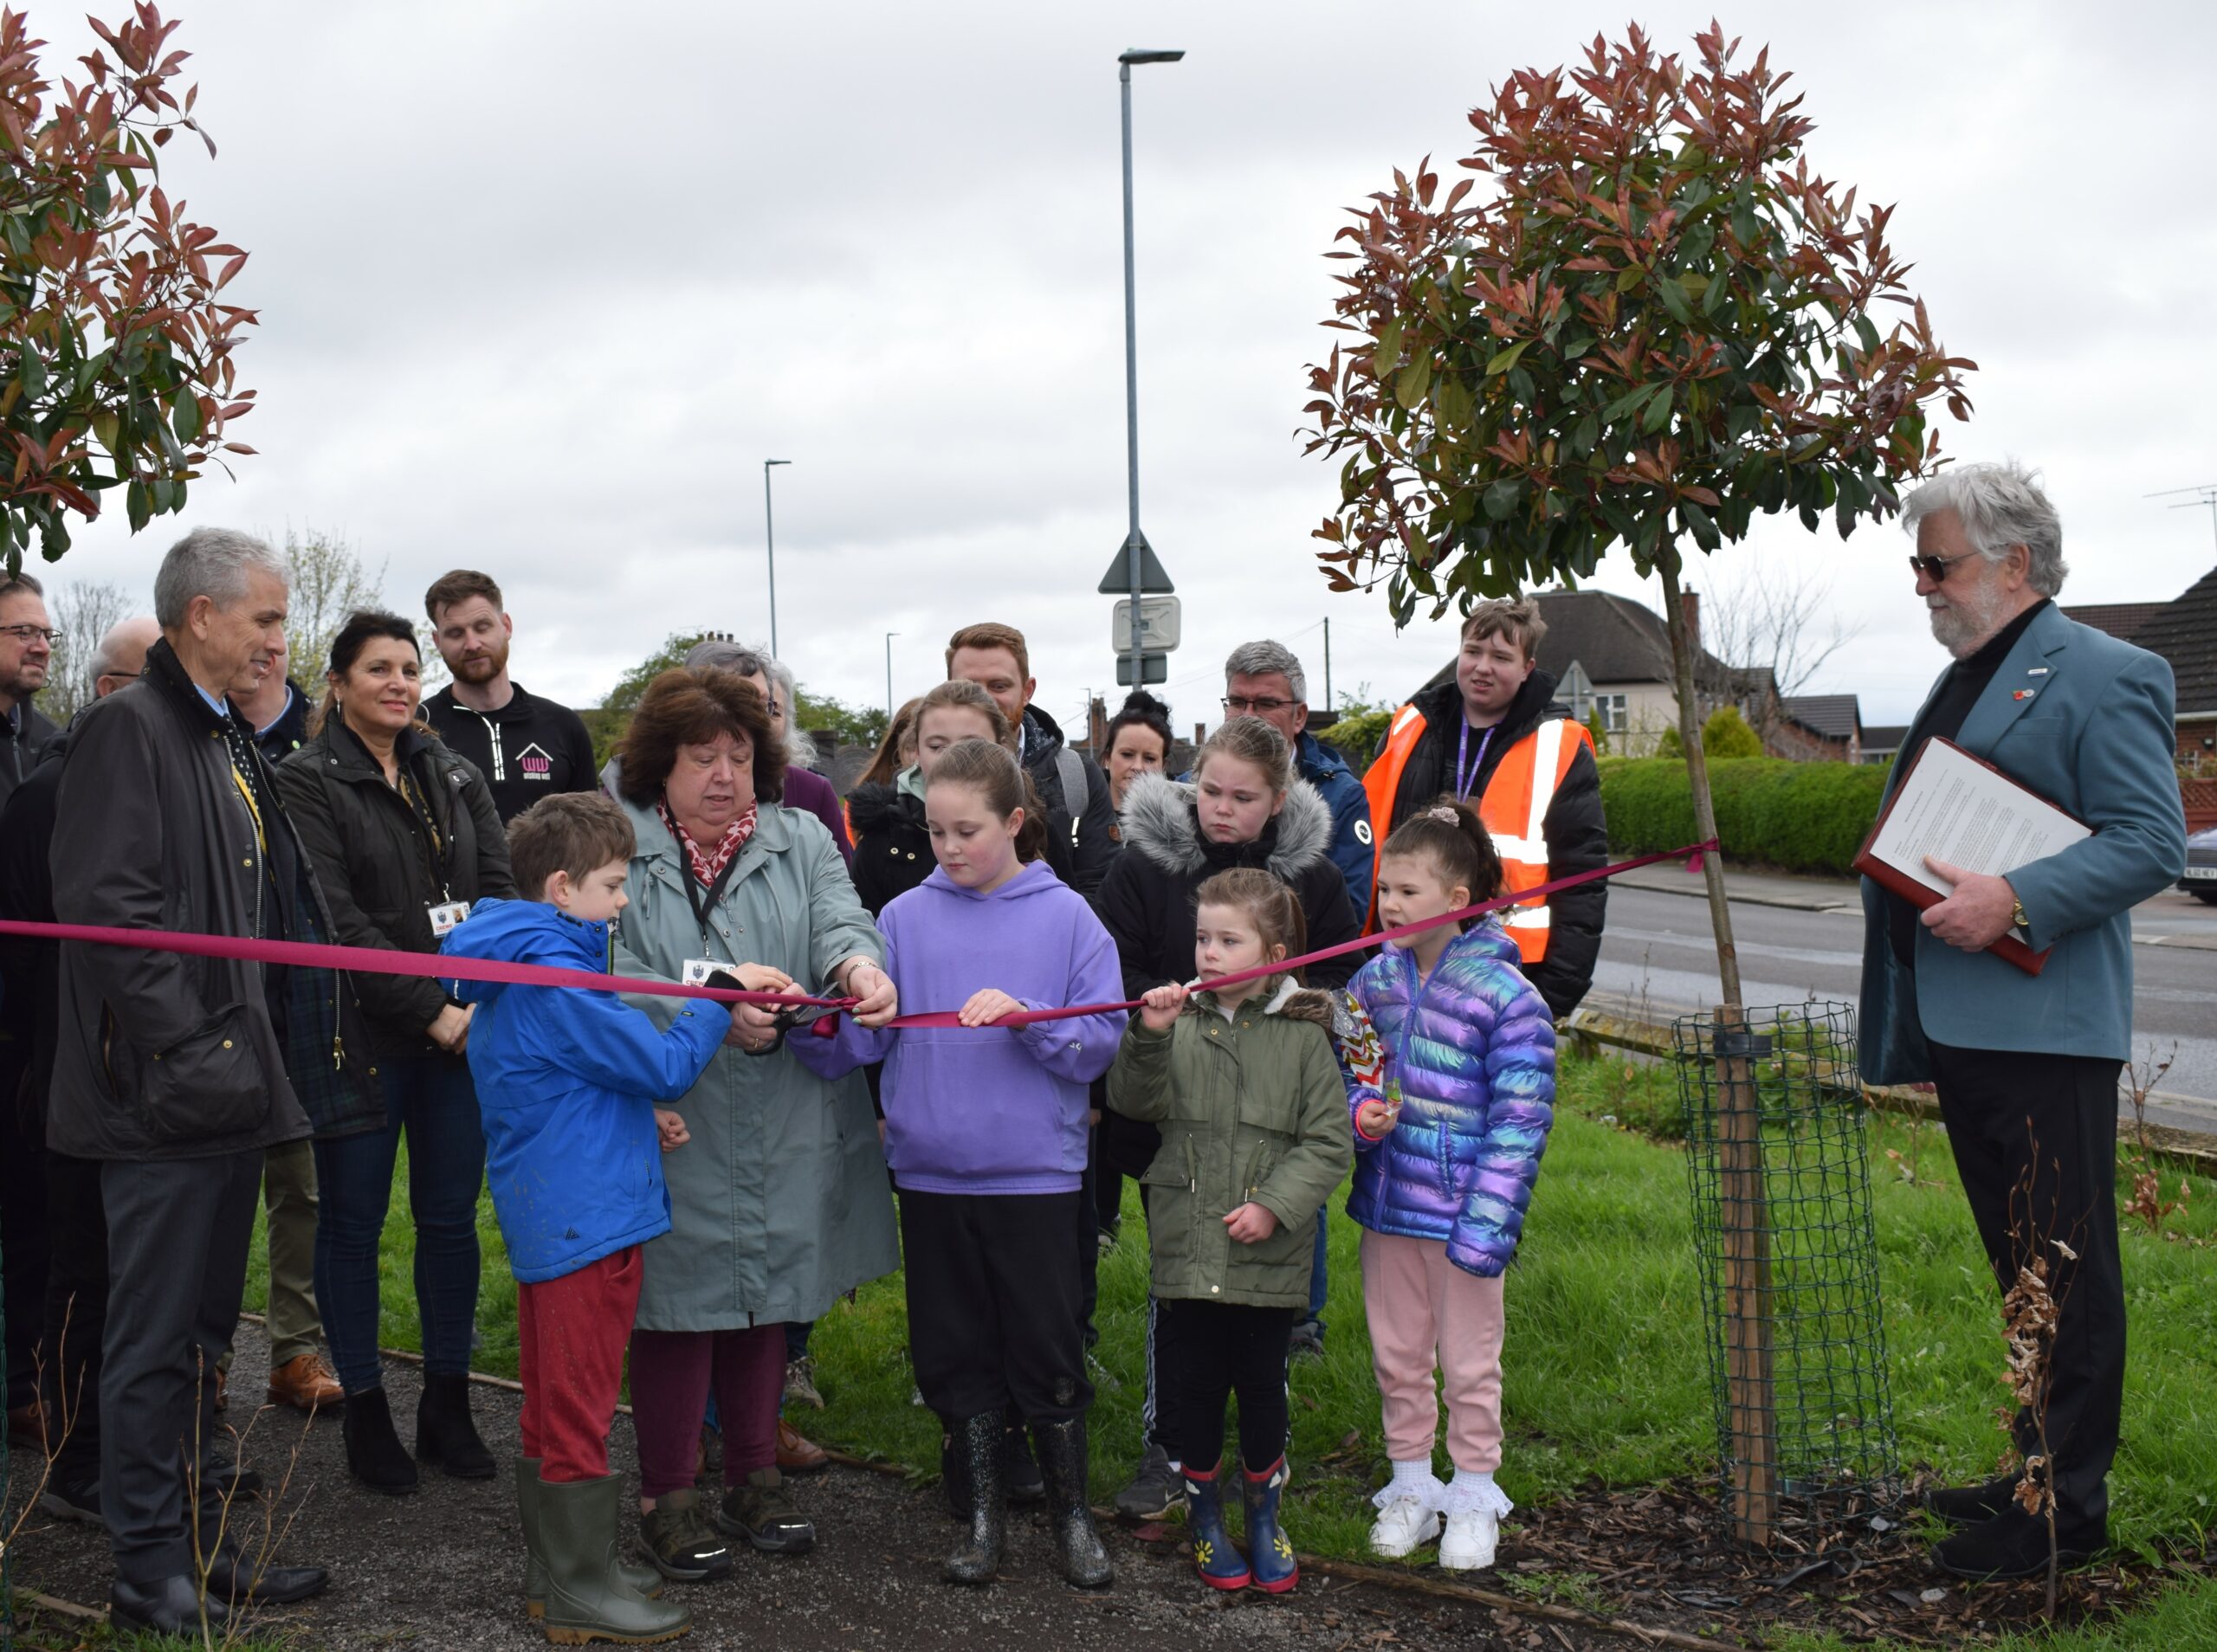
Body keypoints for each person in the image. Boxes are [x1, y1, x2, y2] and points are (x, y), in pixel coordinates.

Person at [1862, 463, 2186, 1581]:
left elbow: (2149, 841)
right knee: (2022, 1270)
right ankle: (2032, 1467)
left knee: (2067, 1272)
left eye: (1936, 563)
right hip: (1969, 1025)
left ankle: (2065, 1516)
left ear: (2014, 563)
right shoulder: (1967, 676)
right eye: (1918, 565)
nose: (1922, 586)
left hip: (2047, 1030)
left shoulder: (2109, 672)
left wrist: (2019, 897)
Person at [51, 528, 359, 1634]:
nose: (282, 638)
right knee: (149, 1339)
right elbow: (109, 916)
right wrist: (196, 1048)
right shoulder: (125, 733)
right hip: (158, 1096)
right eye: (267, 618)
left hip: (227, 1091)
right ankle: (148, 1572)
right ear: (200, 618)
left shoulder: (221, 737)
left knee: (201, 1337)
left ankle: (200, 1538)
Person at [604, 668, 898, 1582]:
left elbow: (840, 919)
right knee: (676, 1305)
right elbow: (608, 967)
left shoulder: (801, 834)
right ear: (663, 764)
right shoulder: (619, 841)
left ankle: (754, 1475)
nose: (724, 774)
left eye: (738, 754)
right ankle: (665, 1494)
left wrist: (858, 968)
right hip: (671, 1109)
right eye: (703, 757)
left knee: (770, 1291)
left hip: (779, 1109)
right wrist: (708, 1010)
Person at [808, 738, 1123, 1588]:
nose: (948, 848)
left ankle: (1071, 1519)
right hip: (932, 1177)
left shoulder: (1069, 921)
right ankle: (982, 1522)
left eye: (968, 830)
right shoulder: (903, 919)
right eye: (936, 830)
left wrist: (1031, 1017)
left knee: (1047, 1346)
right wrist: (838, 1021)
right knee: (953, 1349)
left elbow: (1096, 1049)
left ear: (1017, 821)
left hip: (1036, 1178)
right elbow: (850, 1047)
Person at [443, 791, 742, 1644]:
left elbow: (549, 1081)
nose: (621, 903)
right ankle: (577, 1589)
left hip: (557, 1213)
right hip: (588, 1226)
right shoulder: (558, 980)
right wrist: (717, 1000)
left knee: (549, 1400)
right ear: (563, 887)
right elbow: (661, 1061)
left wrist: (631, 1120)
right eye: (612, 886)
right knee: (576, 1408)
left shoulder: (520, 963)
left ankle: (560, 1574)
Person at [272, 610, 517, 1495]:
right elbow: (336, 920)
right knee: (352, 1224)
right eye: (378, 668)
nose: (400, 683)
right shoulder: (302, 781)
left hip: (461, 1037)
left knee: (451, 1223)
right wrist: (430, 1011)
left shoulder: (449, 770)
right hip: (359, 1041)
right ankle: (368, 1413)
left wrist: (471, 1003)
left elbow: (499, 891)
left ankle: (447, 1406)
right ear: (337, 683)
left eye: (410, 668)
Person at [1096, 716, 1363, 1522]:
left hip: (1275, 1121)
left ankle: (1261, 1457)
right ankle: (1169, 1443)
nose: (1222, 809)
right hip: (1176, 1120)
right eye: (1209, 789)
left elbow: (1339, 968)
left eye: (1243, 798)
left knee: (1264, 1301)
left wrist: (1294, 1012)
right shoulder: (1144, 866)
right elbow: (1114, 960)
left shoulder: (1312, 876)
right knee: (1179, 1291)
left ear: (1277, 801)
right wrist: (1167, 1008)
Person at [1108, 868, 1354, 1594]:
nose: (1208, 953)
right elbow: (1132, 1101)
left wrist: (1276, 1205)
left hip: (1267, 1255)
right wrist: (1148, 1037)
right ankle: (1205, 1519)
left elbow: (1328, 1142)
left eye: (1227, 940)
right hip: (1189, 1245)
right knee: (1196, 1389)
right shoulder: (1177, 1020)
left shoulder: (1304, 1036)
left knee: (1262, 1390)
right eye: (1202, 938)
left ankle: (1263, 1514)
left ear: (1273, 949)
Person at [1348, 800, 1555, 1573]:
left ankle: (1473, 1493)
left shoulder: (1507, 997)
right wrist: (1359, 1109)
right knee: (1397, 1353)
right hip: (1388, 1209)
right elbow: (1350, 1067)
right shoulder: (1372, 982)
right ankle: (1411, 1485)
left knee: (1470, 1362)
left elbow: (1523, 1116)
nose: (1390, 905)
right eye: (1385, 891)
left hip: (1466, 1218)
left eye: (1408, 891)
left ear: (1459, 901)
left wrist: (1489, 1224)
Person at [0, 615, 159, 1522]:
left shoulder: (143, 787)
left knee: (134, 1271)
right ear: (109, 695)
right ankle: (73, 1456)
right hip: (63, 1069)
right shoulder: (48, 797)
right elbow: (31, 959)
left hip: (143, 1074)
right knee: (76, 1265)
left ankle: (132, 1445)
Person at [1215, 641, 1375, 1358]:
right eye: (1237, 701)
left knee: (1295, 1155)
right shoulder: (1208, 779)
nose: (1251, 714)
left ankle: (1300, 1319)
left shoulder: (1337, 788)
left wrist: (1300, 995)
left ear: (1300, 712)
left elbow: (1344, 904)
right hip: (1217, 1013)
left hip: (1297, 1003)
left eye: (1266, 702)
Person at [1361, 599, 1607, 1020]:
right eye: (1473, 651)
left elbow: (1583, 879)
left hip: (1508, 974)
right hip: (1400, 963)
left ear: (1527, 667)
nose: (1482, 667)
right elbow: (1364, 842)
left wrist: (1556, 993)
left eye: (1501, 657)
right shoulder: (1409, 726)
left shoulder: (1559, 746)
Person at [220, 648, 342, 1416]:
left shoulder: (315, 741)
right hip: (220, 1009)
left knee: (300, 1187)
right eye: (252, 626)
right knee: (217, 1193)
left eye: (276, 628)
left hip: (299, 1006)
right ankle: (209, 1359)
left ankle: (293, 1351)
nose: (265, 647)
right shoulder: (197, 736)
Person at [0, 569, 57, 1452]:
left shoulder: (54, 743)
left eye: (43, 631)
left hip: (37, 1015)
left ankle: (28, 1386)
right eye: (20, 632)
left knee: (36, 1210)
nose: (41, 642)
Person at [947, 622, 1117, 896]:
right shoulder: (914, 783)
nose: (984, 700)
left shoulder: (1077, 777)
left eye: (999, 685)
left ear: (1027, 691)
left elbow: (1100, 889)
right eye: (969, 687)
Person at [422, 568, 599, 823]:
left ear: (506, 626)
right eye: (456, 633)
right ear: (438, 641)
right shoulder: (419, 730)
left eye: (482, 627)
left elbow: (592, 837)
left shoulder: (564, 725)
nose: (472, 644)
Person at [681, 638, 851, 862]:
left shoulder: (812, 801)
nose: (758, 718)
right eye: (704, 760)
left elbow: (840, 884)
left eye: (769, 708)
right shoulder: (644, 802)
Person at [1102, 690, 1173, 813]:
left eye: (1149, 758)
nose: (1138, 767)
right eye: (1127, 755)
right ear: (1108, 758)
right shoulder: (1079, 810)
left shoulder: (1182, 822)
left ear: (1163, 766)